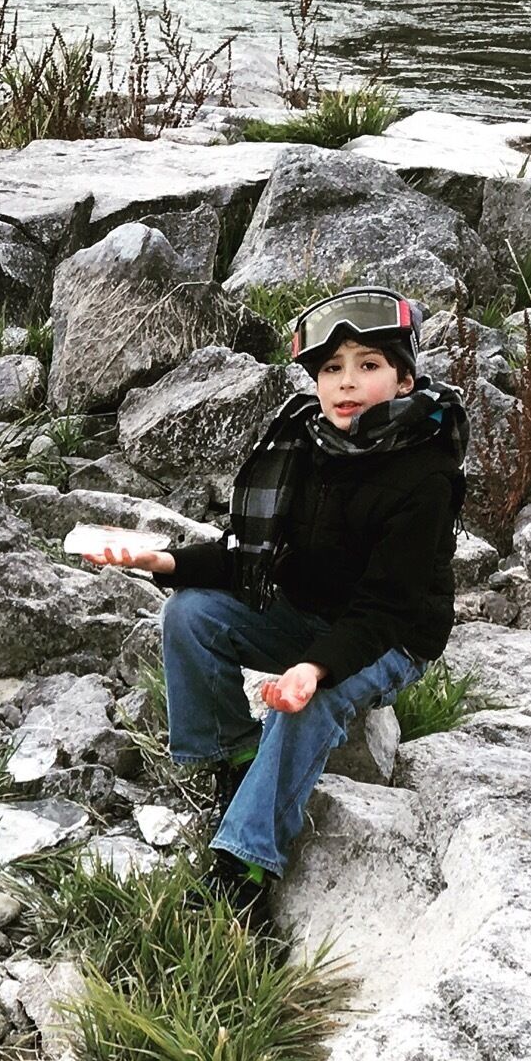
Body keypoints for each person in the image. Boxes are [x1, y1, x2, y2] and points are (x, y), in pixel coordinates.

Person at [83, 286, 468, 917]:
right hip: (306, 614)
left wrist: (312, 670)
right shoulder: (302, 444)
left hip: (391, 636)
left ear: (403, 380)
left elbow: (385, 610)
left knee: (305, 708)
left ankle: (244, 868)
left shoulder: (424, 475)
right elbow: (249, 561)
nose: (347, 383)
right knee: (190, 613)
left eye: (368, 366)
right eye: (331, 369)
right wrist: (163, 560)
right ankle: (235, 763)